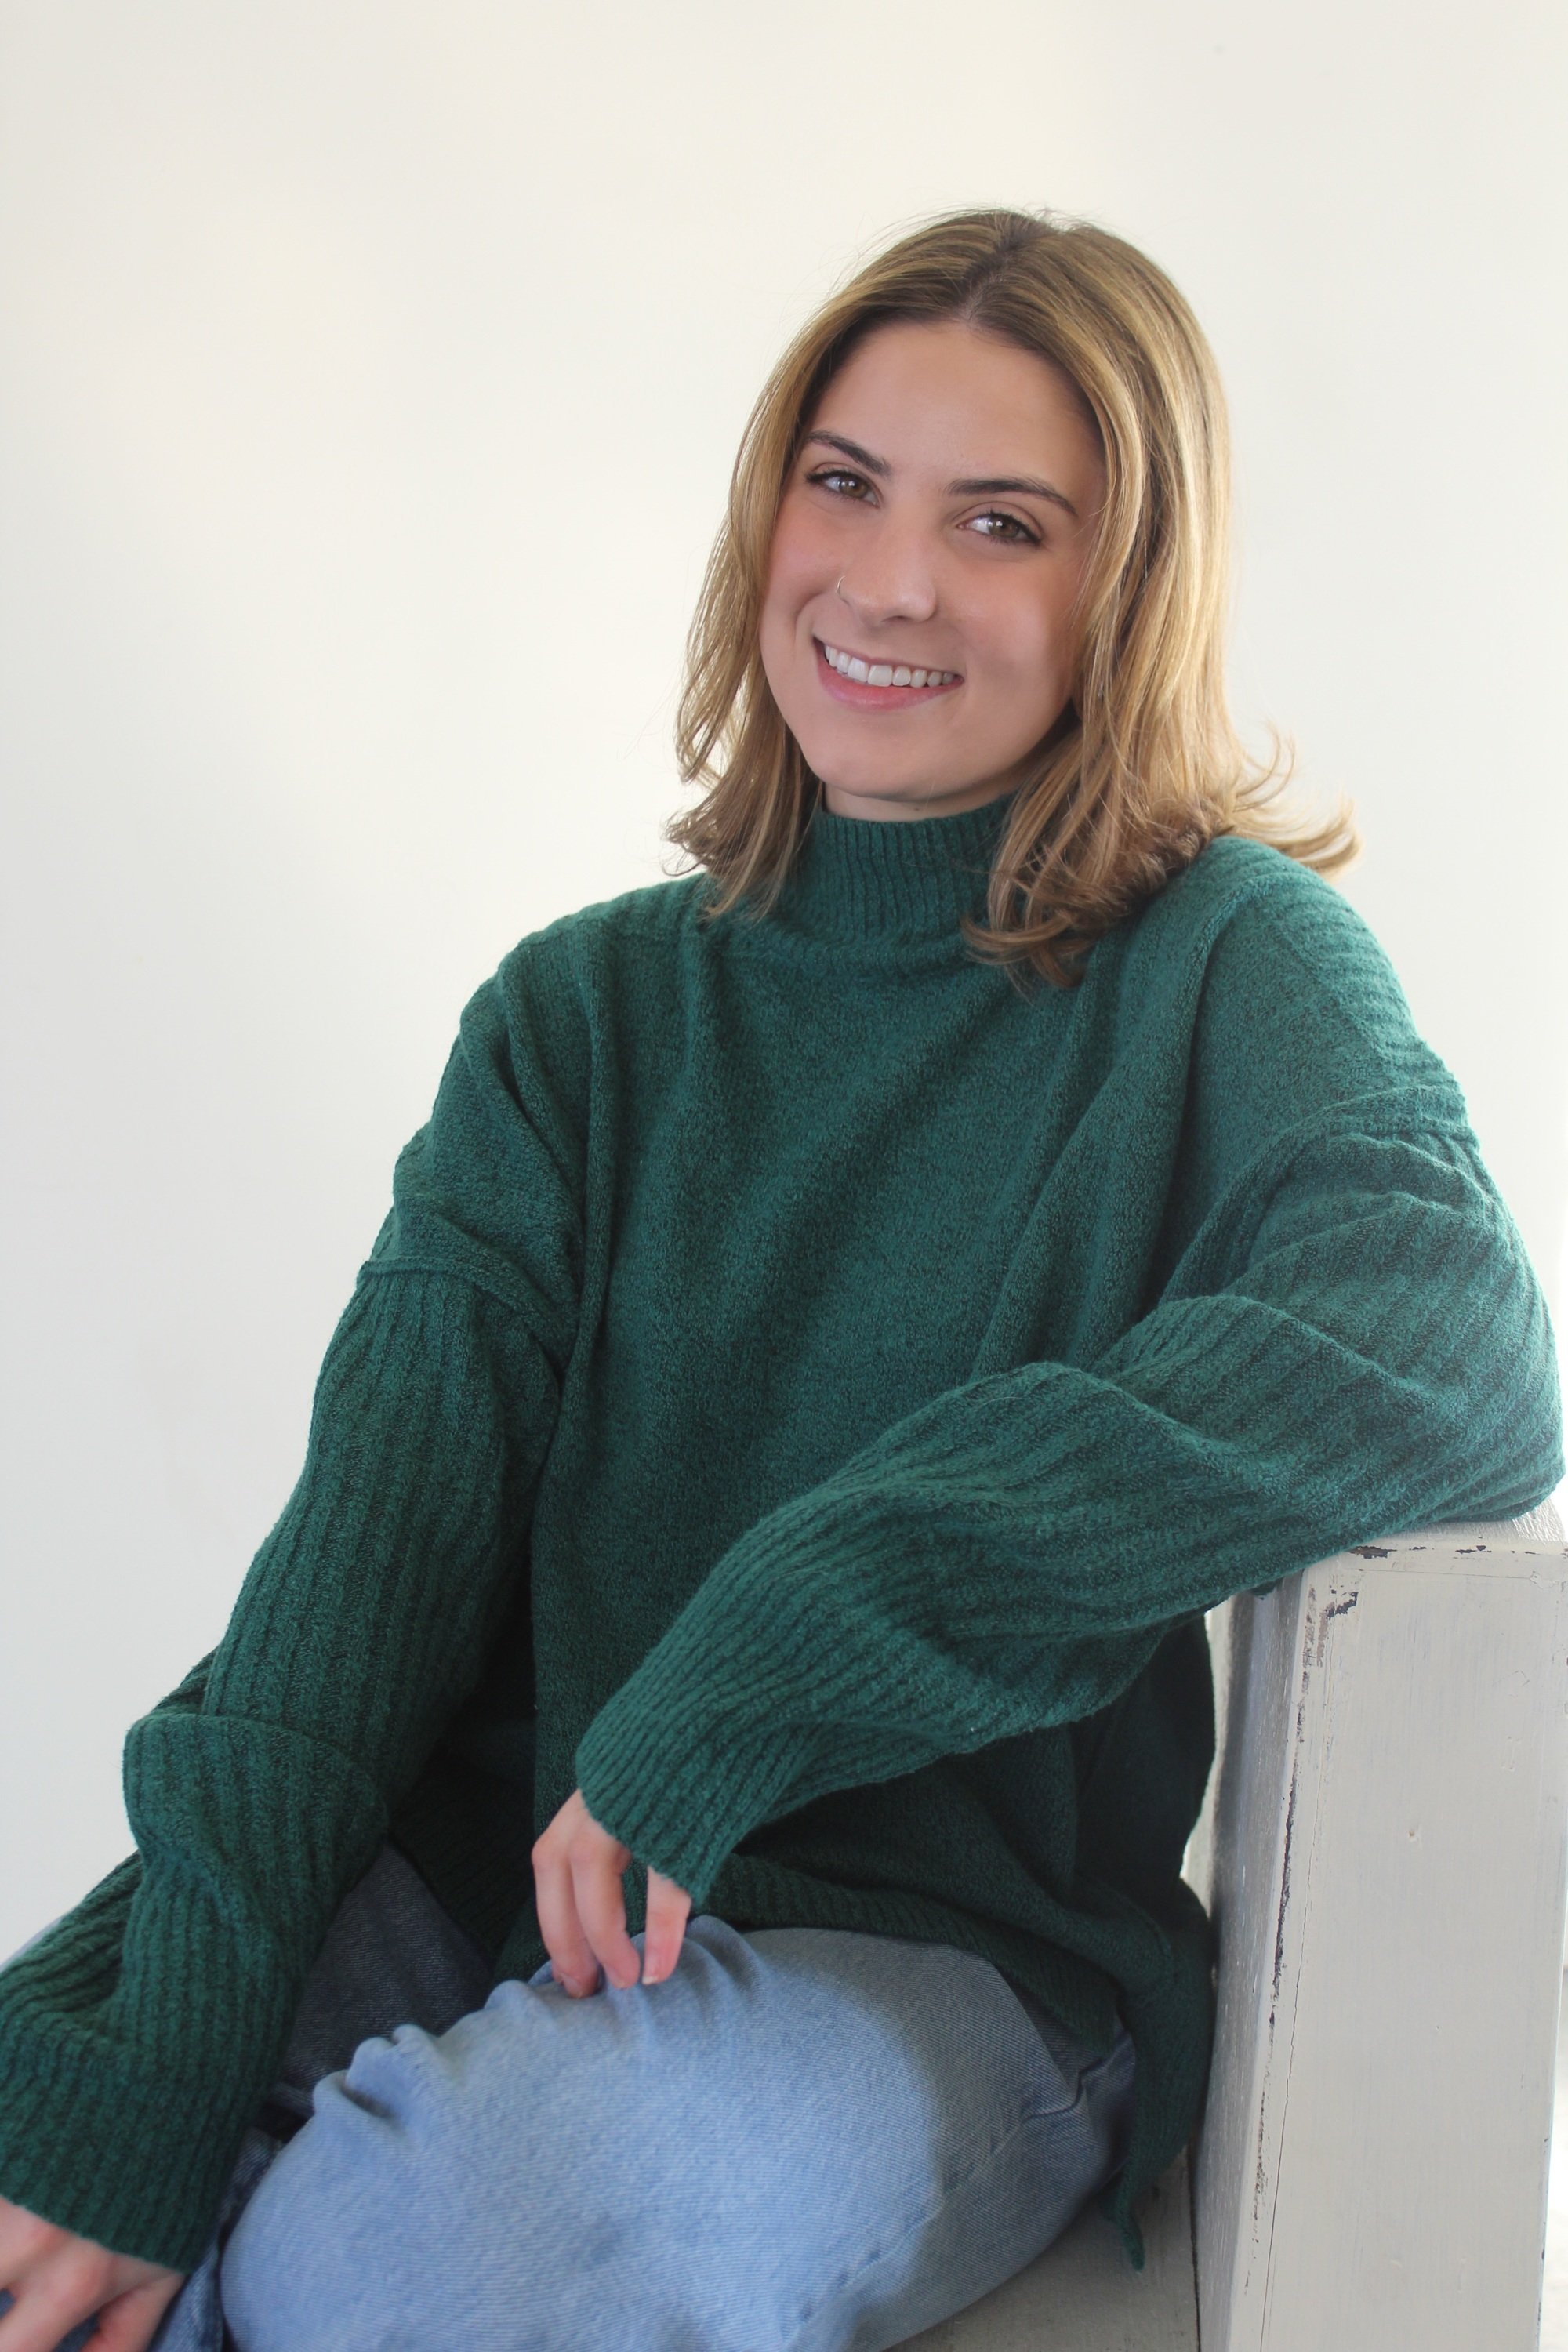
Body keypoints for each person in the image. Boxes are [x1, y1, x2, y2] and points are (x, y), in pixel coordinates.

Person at [0, 203, 1559, 2352]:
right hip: (502, 1880)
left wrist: (780, 1641)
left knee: (404, 2252)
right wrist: (144, 2073)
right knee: (54, 2152)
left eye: (1001, 522)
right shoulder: (580, 1020)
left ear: (1127, 588)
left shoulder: (1225, 962)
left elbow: (1456, 1343)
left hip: (950, 1951)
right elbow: (344, 1615)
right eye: (845, 484)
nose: (892, 582)